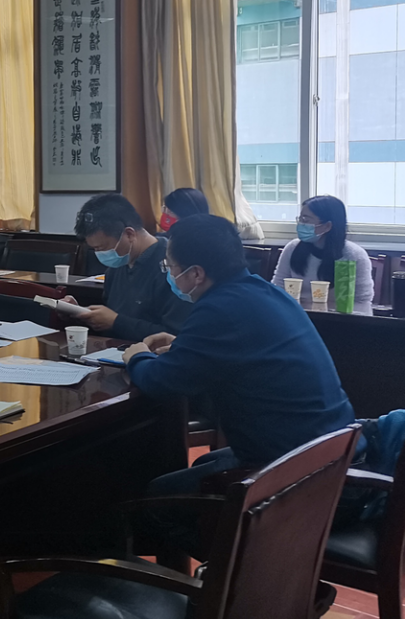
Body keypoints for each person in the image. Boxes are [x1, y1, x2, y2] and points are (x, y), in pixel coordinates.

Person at [123, 214, 354, 501]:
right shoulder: (264, 290)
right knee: (205, 463)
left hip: (297, 470)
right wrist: (184, 345)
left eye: (170, 266)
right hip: (332, 448)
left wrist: (138, 357)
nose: (168, 273)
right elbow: (235, 350)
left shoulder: (218, 308)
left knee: (158, 495)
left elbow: (162, 382)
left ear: (196, 274)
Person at [71, 193, 190, 340]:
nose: (100, 254)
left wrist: (116, 322)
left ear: (129, 234)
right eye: (94, 249)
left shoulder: (174, 267)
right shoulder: (117, 265)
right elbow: (108, 319)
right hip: (111, 348)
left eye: (102, 248)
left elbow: (173, 335)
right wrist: (78, 313)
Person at [273, 195, 374, 314]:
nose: (301, 224)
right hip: (296, 315)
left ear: (327, 226)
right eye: (300, 219)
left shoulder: (354, 255)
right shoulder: (293, 248)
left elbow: (361, 302)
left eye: (306, 220)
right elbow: (277, 287)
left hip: (338, 319)